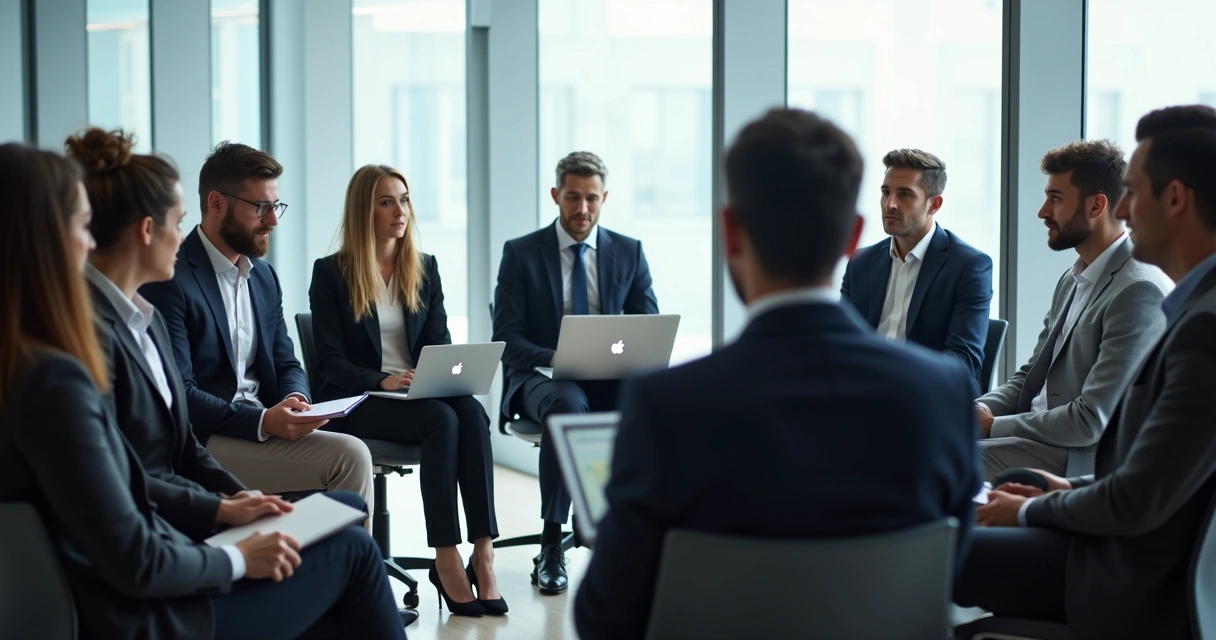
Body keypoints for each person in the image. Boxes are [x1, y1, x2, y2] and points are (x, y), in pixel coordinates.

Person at [574, 109, 981, 639]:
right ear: (852, 237)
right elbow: (948, 573)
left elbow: (605, 616)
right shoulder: (943, 395)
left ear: (732, 231)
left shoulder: (668, 404)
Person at [0, 141, 407, 640]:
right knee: (354, 552)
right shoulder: (59, 372)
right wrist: (234, 555)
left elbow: (139, 473)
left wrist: (230, 504)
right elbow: (135, 542)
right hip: (150, 610)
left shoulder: (124, 326)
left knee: (339, 524)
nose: (91, 243)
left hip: (166, 555)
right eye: (82, 227)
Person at [955, 106, 1216, 639]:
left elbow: (1136, 497)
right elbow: (1158, 478)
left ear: (1175, 199)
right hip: (1112, 531)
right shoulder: (1193, 310)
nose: (1121, 208)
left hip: (1126, 575)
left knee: (939, 546)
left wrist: (1036, 511)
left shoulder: (1199, 325)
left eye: (1133, 192)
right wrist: (1060, 492)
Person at [309, 164, 503, 616]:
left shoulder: (425, 268)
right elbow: (329, 363)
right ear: (365, 210)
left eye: (405, 199)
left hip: (415, 392)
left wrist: (440, 371)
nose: (401, 211)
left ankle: (484, 552)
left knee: (471, 413)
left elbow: (439, 341)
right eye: (387, 201)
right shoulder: (331, 274)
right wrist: (382, 380)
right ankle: (446, 557)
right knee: (440, 419)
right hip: (358, 400)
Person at [140, 142, 374, 512]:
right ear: (216, 204)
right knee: (351, 456)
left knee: (349, 452)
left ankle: (331, 561)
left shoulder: (263, 277)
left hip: (263, 426)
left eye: (275, 206)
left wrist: (297, 402)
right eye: (260, 207)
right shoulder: (172, 276)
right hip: (205, 440)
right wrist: (263, 421)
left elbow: (287, 363)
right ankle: (350, 567)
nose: (274, 220)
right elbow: (179, 393)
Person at [492, 150, 659, 594]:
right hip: (542, 378)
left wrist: (616, 356)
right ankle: (552, 542)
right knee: (568, 405)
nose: (581, 209)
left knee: (654, 403)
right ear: (555, 196)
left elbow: (648, 326)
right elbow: (507, 338)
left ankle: (634, 532)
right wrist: (562, 355)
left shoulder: (629, 251)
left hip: (607, 376)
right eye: (572, 197)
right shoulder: (521, 254)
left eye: (591, 199)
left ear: (604, 197)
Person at [975, 140, 1171, 478]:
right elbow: (1028, 376)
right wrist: (978, 409)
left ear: (1096, 206)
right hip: (1036, 438)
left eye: (1055, 198)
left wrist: (992, 426)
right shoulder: (1073, 277)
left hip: (1079, 459)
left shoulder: (1138, 289)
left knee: (936, 457)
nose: (1042, 212)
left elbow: (1091, 420)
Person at [840, 148, 993, 380]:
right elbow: (840, 339)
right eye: (885, 192)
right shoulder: (861, 263)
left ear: (934, 204)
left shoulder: (969, 266)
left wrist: (893, 374)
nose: (889, 204)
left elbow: (964, 360)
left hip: (926, 396)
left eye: (905, 194)